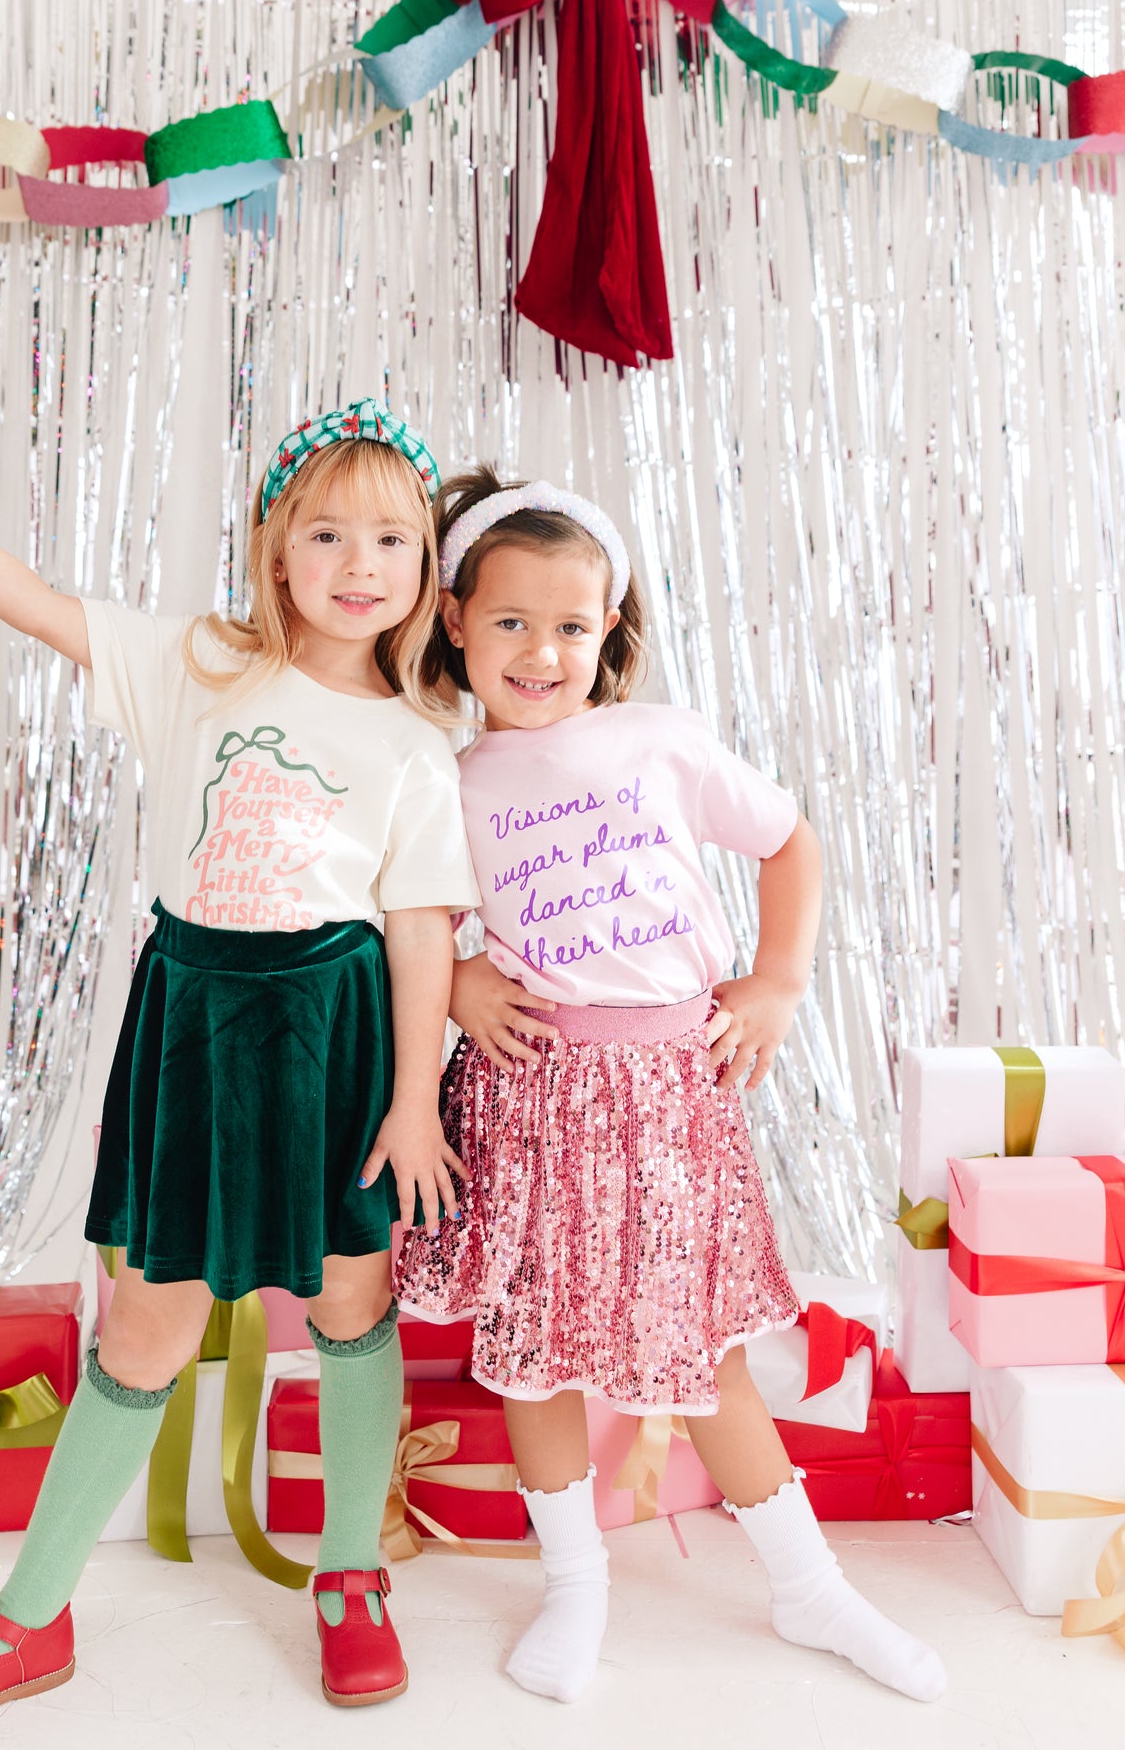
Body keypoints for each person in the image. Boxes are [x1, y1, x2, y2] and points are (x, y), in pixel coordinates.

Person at [0, 399, 478, 1731]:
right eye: (327, 533)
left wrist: (409, 1100)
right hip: (196, 1023)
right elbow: (39, 605)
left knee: (350, 1300)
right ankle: (28, 1615)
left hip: (333, 1035)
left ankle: (350, 1573)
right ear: (275, 550)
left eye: (391, 539)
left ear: (423, 567)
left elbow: (419, 934)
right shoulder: (202, 662)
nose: (358, 563)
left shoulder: (414, 741)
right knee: (149, 1321)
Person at [395, 467, 946, 1706]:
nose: (541, 651)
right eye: (510, 620)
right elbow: (414, 923)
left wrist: (777, 981)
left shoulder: (659, 738)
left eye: (569, 625)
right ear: (453, 618)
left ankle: (806, 1585)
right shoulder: (447, 778)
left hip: (665, 1098)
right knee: (529, 1355)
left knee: (697, 1351)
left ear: (606, 627)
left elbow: (789, 839)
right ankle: (573, 1579)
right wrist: (466, 980)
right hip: (527, 1095)